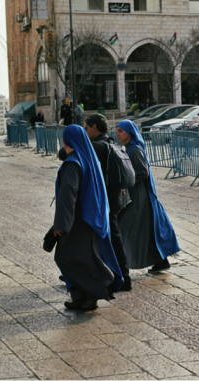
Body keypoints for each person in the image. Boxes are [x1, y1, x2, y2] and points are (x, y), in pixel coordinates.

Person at [53, 125, 124, 310]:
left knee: (65, 257)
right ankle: (82, 297)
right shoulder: (88, 159)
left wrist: (61, 224)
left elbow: (68, 196)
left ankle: (97, 287)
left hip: (77, 220)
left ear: (65, 140)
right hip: (91, 218)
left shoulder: (72, 163)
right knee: (85, 257)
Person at [116, 120, 180, 271]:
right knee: (145, 228)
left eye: (120, 131)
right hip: (137, 194)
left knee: (123, 228)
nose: (117, 134)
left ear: (129, 133)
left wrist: (125, 177)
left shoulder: (135, 150)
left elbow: (143, 172)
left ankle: (119, 264)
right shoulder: (129, 149)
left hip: (139, 196)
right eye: (117, 130)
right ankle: (161, 260)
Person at [84, 113, 132, 290]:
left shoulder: (97, 147)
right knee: (111, 235)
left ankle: (122, 278)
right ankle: (113, 275)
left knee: (111, 237)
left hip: (105, 200)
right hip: (117, 196)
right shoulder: (112, 144)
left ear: (94, 128)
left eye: (86, 128)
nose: (85, 131)